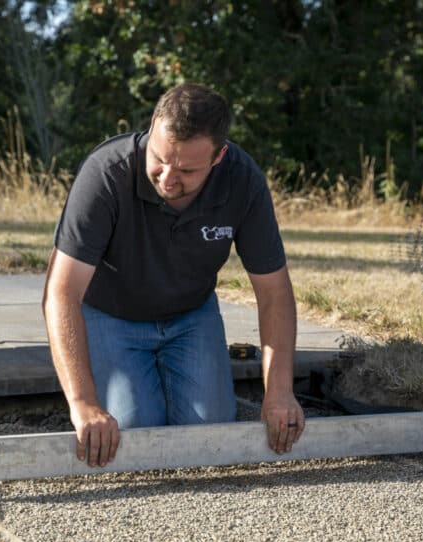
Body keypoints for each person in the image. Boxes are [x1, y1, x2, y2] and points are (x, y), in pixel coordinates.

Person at [42, 83, 305, 468]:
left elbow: (274, 293)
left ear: (219, 157)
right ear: (152, 126)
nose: (167, 178)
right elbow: (60, 294)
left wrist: (279, 392)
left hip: (190, 316)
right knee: (133, 433)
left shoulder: (242, 180)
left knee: (210, 436)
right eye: (160, 159)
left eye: (186, 170)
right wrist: (83, 404)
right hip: (110, 313)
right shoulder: (105, 174)